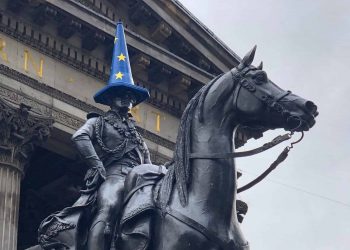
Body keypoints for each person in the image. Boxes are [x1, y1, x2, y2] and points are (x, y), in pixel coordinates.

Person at [72, 91, 151, 249]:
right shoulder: (98, 122)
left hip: (139, 182)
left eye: (130, 96)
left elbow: (148, 164)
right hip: (114, 175)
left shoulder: (138, 137)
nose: (126, 99)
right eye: (121, 94)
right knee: (110, 205)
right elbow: (80, 137)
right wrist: (97, 165)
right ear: (110, 99)